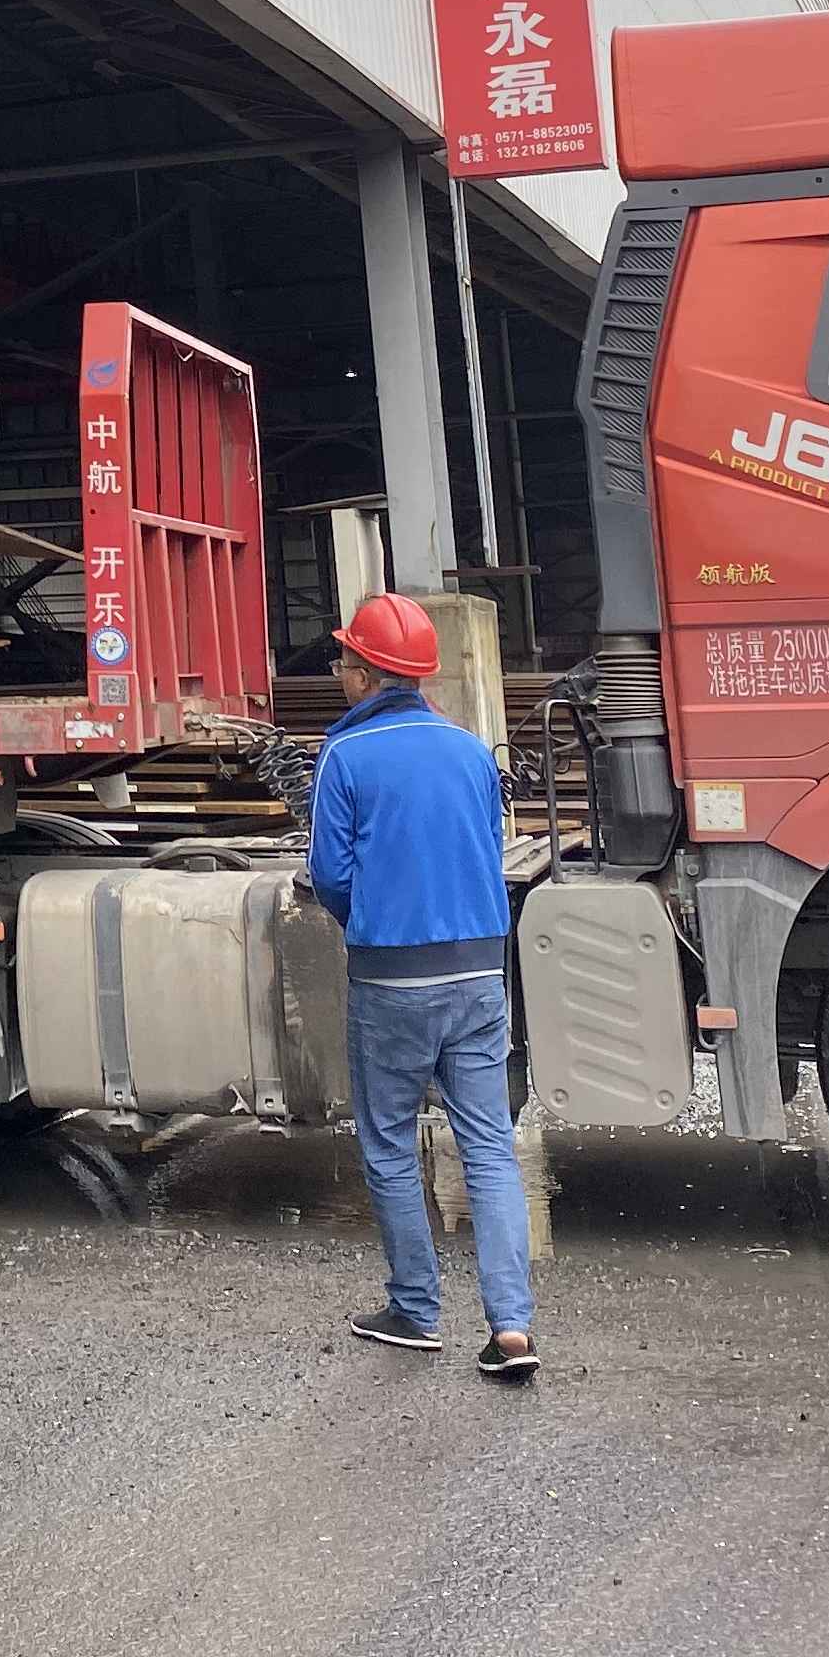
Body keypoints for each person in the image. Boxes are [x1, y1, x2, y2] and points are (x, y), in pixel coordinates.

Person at [305, 591, 537, 1380]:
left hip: (393, 979)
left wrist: (370, 917)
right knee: (489, 1148)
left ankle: (415, 1308)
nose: (339, 673)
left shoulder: (347, 755)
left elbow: (330, 875)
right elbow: (487, 852)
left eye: (343, 661)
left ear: (365, 674)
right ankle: (512, 1329)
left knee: (390, 1142)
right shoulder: (470, 751)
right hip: (478, 972)